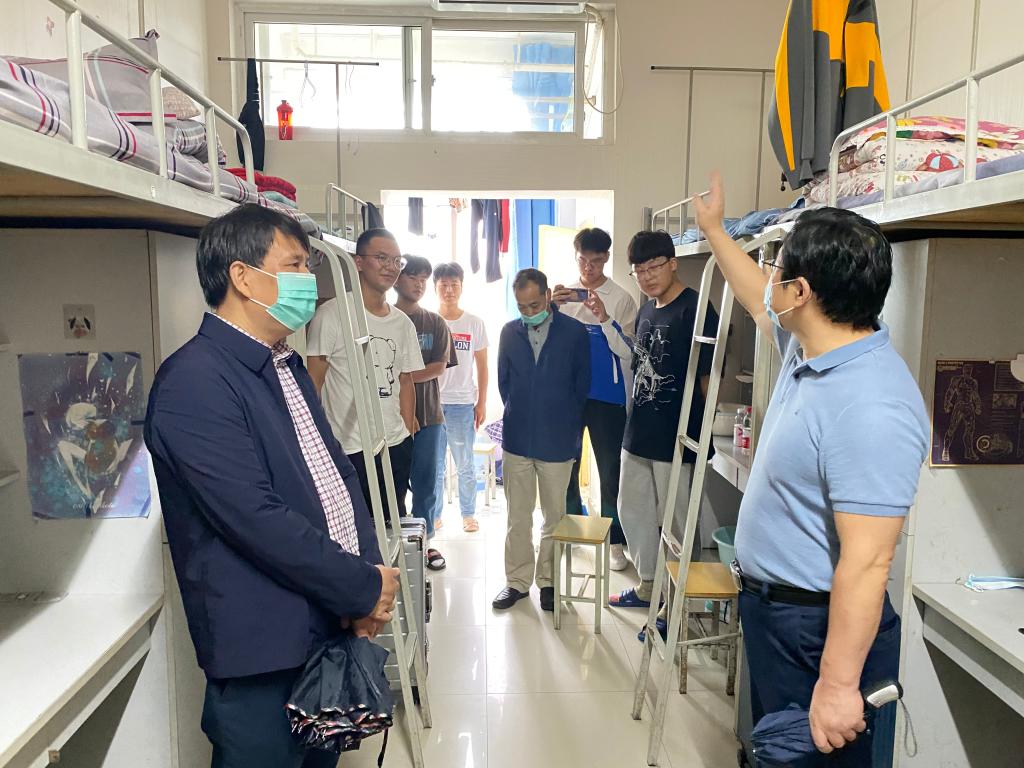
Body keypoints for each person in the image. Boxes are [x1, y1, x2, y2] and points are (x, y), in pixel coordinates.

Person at [144, 204, 400, 768]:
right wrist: (361, 586)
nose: (308, 280)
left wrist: (368, 579)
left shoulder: (282, 365)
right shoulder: (195, 382)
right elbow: (258, 520)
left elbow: (335, 476)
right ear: (242, 276)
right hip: (264, 650)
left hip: (326, 623)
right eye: (295, 265)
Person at [693, 173, 929, 763]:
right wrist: (715, 230)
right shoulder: (814, 350)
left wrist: (840, 684)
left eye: (776, 269)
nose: (767, 277)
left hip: (816, 629)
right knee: (777, 750)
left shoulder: (871, 404)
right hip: (780, 615)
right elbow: (757, 298)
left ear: (800, 292)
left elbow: (869, 561)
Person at [610, 230, 718, 609]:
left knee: (679, 524)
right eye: (638, 271)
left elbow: (708, 379)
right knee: (631, 509)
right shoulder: (646, 310)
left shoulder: (697, 309)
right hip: (639, 432)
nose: (646, 277)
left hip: (678, 436)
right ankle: (648, 585)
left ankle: (678, 605)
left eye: (653, 267)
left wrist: (701, 436)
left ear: (673, 263)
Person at [306, 229, 425, 537]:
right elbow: (313, 381)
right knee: (354, 533)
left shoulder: (402, 323)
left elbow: (406, 380)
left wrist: (406, 432)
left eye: (396, 260)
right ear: (358, 262)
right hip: (348, 446)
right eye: (381, 258)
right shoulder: (332, 314)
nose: (390, 267)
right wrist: (317, 442)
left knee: (392, 528)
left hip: (394, 444)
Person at [493, 268, 590, 611]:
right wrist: (521, 410)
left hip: (558, 440)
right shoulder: (509, 332)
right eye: (522, 306)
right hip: (518, 438)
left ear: (548, 295)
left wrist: (563, 420)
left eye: (535, 305)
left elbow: (582, 385)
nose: (529, 312)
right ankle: (517, 582)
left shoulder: (575, 333)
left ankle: (548, 581)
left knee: (554, 516)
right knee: (517, 516)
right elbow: (504, 383)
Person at [552, 227, 638, 571]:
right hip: (569, 398)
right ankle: (572, 529)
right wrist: (550, 310)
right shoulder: (564, 296)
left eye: (597, 261)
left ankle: (614, 541)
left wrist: (604, 317)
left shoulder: (621, 298)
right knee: (566, 467)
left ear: (607, 258)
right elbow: (546, 345)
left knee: (610, 471)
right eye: (582, 260)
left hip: (608, 398)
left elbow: (629, 352)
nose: (588, 268)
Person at [395, 255, 456, 570]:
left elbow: (438, 366)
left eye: (423, 279)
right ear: (397, 278)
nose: (418, 284)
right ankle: (395, 543)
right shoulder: (383, 319)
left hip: (430, 416)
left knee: (427, 482)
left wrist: (402, 375)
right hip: (390, 417)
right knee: (392, 482)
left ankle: (426, 543)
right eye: (412, 277)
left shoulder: (435, 322)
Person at [434, 262, 489, 533]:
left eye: (454, 284)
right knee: (434, 465)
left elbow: (483, 366)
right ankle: (434, 514)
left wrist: (482, 402)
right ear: (435, 288)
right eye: (443, 285)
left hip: (463, 403)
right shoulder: (429, 320)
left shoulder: (474, 323)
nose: (449, 290)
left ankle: (468, 513)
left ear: (462, 287)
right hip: (432, 404)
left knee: (465, 462)